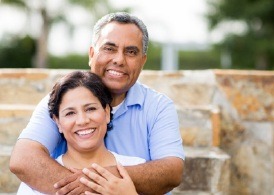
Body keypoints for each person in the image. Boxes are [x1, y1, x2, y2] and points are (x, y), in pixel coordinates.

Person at [10, 12, 185, 195]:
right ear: (92, 54)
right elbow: (23, 159)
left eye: (131, 52)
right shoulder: (61, 100)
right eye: (109, 48)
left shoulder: (158, 107)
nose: (119, 60)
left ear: (143, 61)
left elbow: (171, 171)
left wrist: (99, 182)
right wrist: (93, 186)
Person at [17, 71, 144, 194]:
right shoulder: (36, 181)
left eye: (90, 109)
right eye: (70, 113)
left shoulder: (136, 166)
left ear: (106, 113)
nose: (82, 121)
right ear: (58, 122)